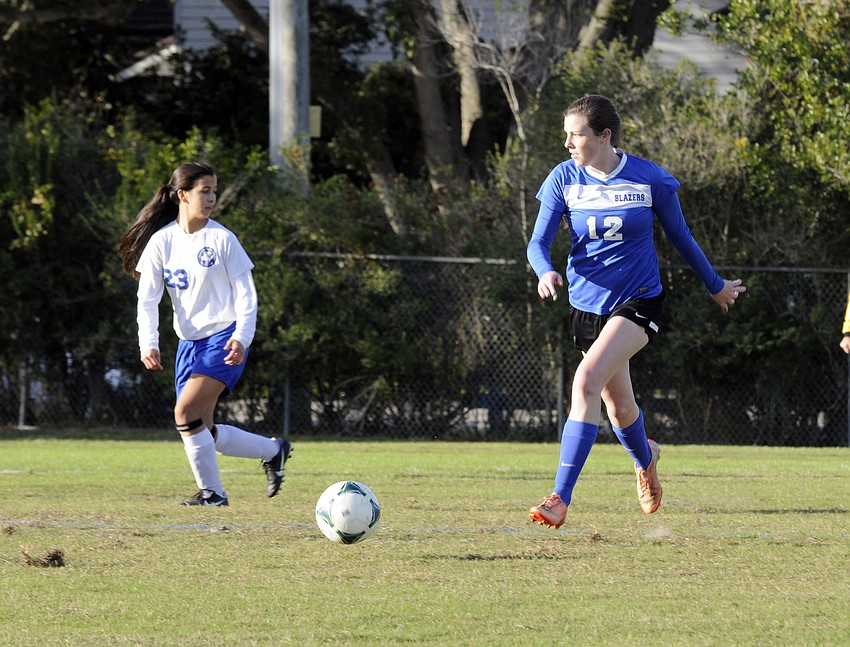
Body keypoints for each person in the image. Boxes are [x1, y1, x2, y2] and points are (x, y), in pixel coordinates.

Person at [526, 95, 746, 529]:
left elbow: (680, 236)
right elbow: (537, 243)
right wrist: (545, 270)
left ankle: (559, 498)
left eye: (577, 134)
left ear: (604, 135)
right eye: (566, 133)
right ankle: (647, 459)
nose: (567, 142)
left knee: (585, 381)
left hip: (640, 300)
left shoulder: (650, 178)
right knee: (620, 408)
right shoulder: (563, 178)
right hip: (587, 306)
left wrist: (716, 286)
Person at [119, 162, 292, 507]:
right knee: (204, 432)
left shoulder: (222, 239)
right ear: (183, 195)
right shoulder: (161, 242)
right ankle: (274, 450)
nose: (212, 197)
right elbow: (147, 300)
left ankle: (213, 495)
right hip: (189, 345)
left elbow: (247, 296)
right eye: (205, 190)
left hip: (223, 338)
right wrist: (148, 343)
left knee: (184, 413)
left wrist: (242, 337)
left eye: (214, 190)